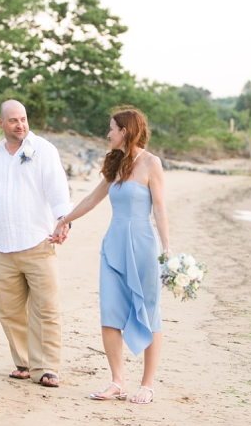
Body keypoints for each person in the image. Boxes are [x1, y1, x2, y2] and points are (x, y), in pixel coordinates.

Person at [52, 107, 169, 404]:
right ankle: (118, 381)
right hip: (114, 246)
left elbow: (159, 209)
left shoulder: (151, 163)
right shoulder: (116, 164)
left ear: (125, 131)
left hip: (143, 247)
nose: (108, 134)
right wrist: (64, 220)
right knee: (110, 314)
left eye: (111, 128)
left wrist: (167, 249)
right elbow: (92, 198)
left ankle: (147, 384)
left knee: (149, 312)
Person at [0, 100, 73, 388]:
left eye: (24, 119)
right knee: (9, 310)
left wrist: (63, 219)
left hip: (38, 242)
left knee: (46, 308)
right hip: (2, 246)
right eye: (14, 120)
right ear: (1, 123)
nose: (20, 125)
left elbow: (57, 188)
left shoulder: (42, 150)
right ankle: (24, 362)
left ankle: (46, 368)